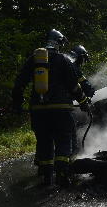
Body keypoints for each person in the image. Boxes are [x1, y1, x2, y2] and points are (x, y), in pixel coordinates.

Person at [12, 29, 91, 186]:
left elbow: (19, 84)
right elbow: (74, 86)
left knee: (44, 140)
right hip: (61, 109)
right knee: (64, 138)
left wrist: (17, 104)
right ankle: (62, 173)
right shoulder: (63, 59)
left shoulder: (33, 59)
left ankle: (47, 175)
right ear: (59, 43)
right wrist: (83, 102)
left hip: (38, 110)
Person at [66, 44, 96, 155]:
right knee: (70, 136)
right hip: (63, 108)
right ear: (80, 57)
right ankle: (70, 164)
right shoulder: (73, 68)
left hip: (41, 110)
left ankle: (45, 167)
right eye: (84, 59)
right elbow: (86, 87)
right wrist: (86, 100)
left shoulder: (59, 66)